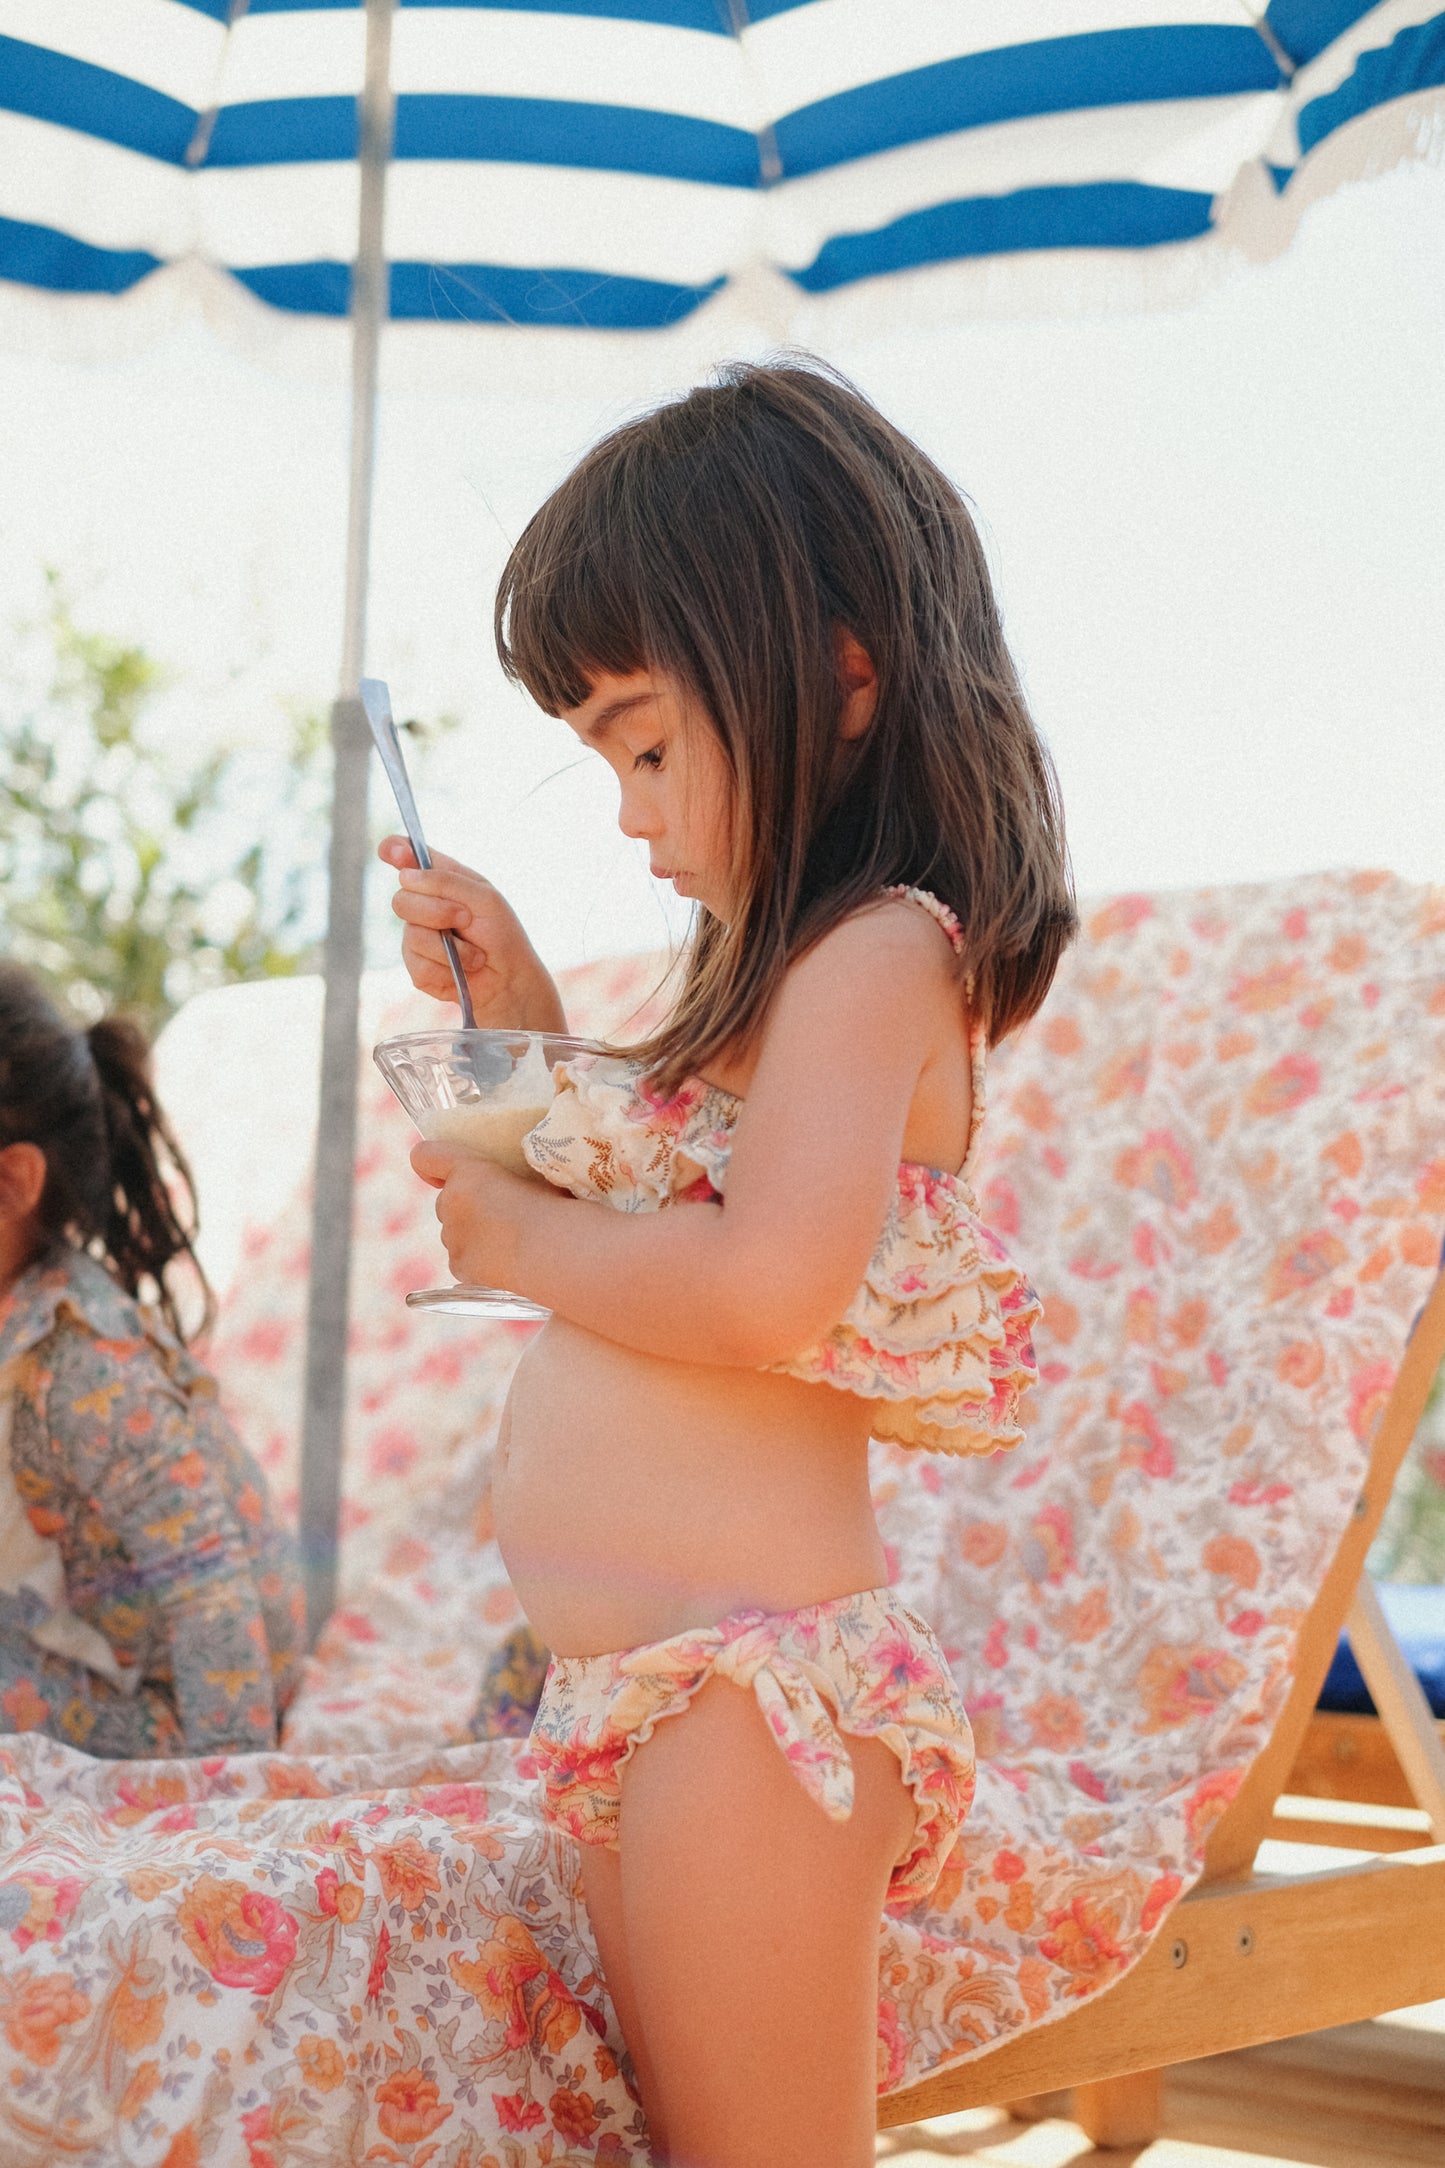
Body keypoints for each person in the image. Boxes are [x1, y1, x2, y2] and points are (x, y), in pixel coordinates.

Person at [382, 360, 1075, 2167]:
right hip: (638, 1701)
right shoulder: (769, 1002)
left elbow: (762, 1289)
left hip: (755, 1705)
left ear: (840, 678)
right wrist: (514, 1008)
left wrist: (528, 1240)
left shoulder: (879, 956)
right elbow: (649, 1179)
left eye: (646, 740)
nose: (628, 809)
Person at [0, 963, 305, 1759]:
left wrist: (230, 1797)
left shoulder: (81, 1363)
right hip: (106, 1653)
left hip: (190, 1711)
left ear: (12, 1183)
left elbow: (208, 1581)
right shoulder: (21, 1307)